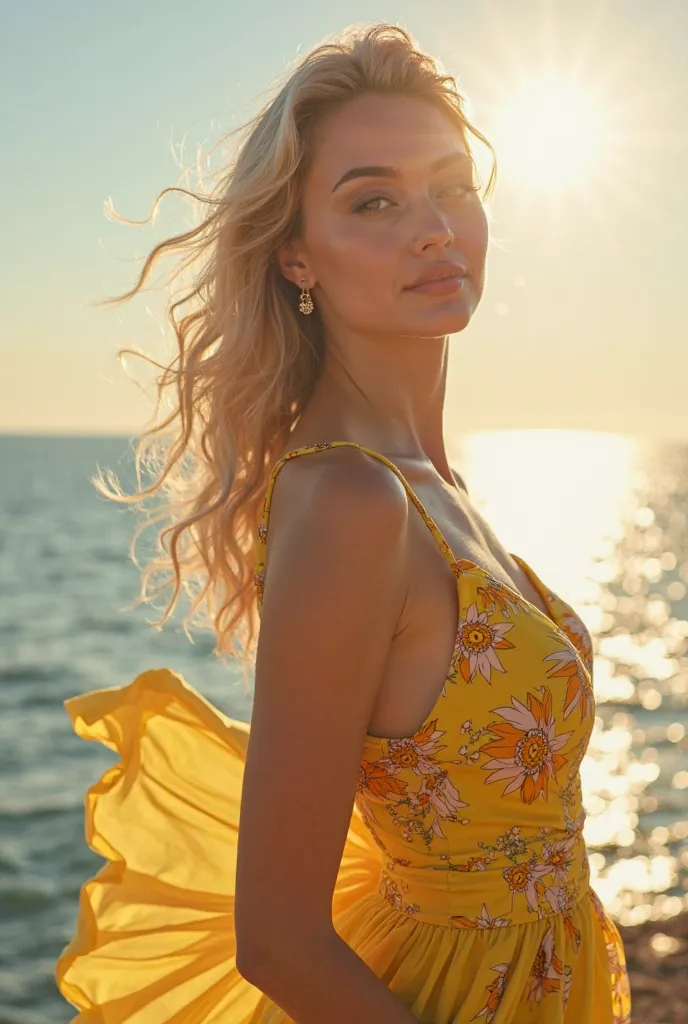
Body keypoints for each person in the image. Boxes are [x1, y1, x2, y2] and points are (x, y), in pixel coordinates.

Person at [54, 22, 631, 1024]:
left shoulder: (430, 482)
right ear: (296, 260)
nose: (432, 227)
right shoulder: (353, 503)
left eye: (450, 185)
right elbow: (277, 940)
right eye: (373, 201)